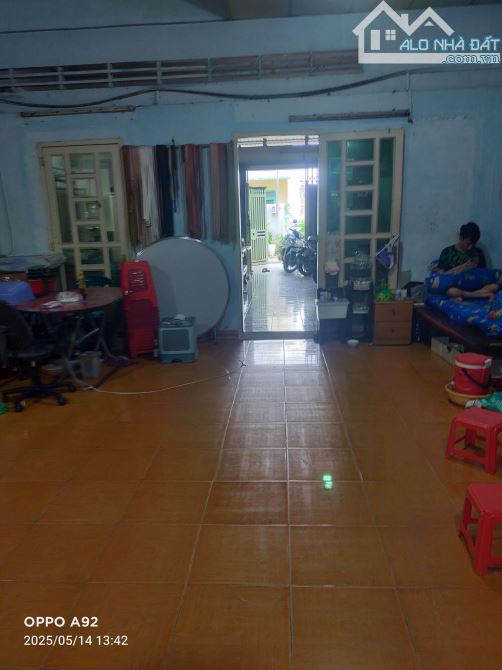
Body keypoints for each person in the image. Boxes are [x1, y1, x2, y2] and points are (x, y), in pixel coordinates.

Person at [437, 222, 499, 300]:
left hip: (475, 287)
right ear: (461, 238)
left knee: (494, 286)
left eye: (473, 244)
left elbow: (484, 275)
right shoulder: (447, 252)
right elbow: (440, 277)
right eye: (468, 244)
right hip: (457, 287)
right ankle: (480, 295)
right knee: (451, 291)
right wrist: (463, 267)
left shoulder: (478, 252)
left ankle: (468, 295)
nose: (470, 247)